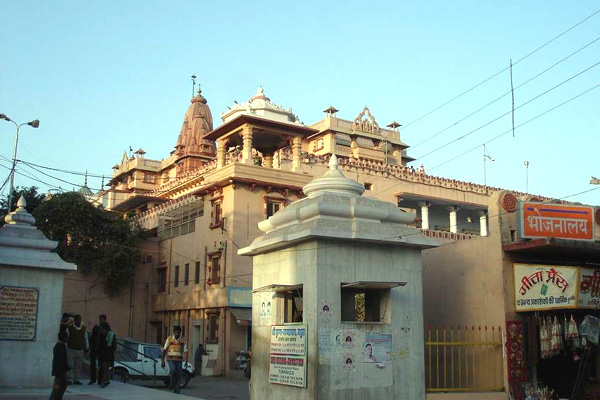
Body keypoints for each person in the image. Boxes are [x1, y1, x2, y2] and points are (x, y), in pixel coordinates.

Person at [162, 326, 188, 394]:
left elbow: (185, 351)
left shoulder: (183, 340)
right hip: (170, 359)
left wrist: (186, 361)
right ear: (173, 332)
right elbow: (164, 349)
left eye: (178, 333)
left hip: (179, 360)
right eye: (175, 332)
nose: (176, 334)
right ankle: (171, 383)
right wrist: (163, 361)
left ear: (180, 332)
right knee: (173, 370)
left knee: (179, 375)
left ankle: (177, 391)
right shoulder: (169, 338)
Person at [66, 315, 88, 385]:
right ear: (74, 320)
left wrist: (87, 347)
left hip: (80, 349)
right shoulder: (69, 328)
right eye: (77, 320)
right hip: (71, 349)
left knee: (78, 366)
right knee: (70, 365)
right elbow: (66, 338)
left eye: (79, 320)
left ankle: (76, 379)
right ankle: (69, 379)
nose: (78, 321)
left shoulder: (84, 328)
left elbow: (86, 338)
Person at [49, 331, 70, 400]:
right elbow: (60, 360)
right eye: (66, 338)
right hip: (60, 371)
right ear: (64, 338)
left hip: (60, 371)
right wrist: (61, 369)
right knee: (57, 388)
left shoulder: (58, 346)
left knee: (62, 386)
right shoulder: (61, 347)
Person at [96, 322, 116, 388]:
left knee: (105, 368)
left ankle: (104, 381)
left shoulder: (111, 335)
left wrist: (110, 352)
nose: (103, 331)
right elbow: (98, 345)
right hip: (101, 354)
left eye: (104, 330)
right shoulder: (100, 335)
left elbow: (114, 346)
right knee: (103, 368)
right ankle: (106, 380)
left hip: (108, 354)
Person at [88, 314, 107, 385]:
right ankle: (93, 379)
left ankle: (100, 380)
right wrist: (91, 346)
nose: (101, 320)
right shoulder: (96, 327)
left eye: (102, 319)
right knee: (92, 363)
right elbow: (92, 337)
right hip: (94, 348)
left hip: (102, 349)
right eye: (100, 319)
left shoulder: (106, 328)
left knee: (101, 365)